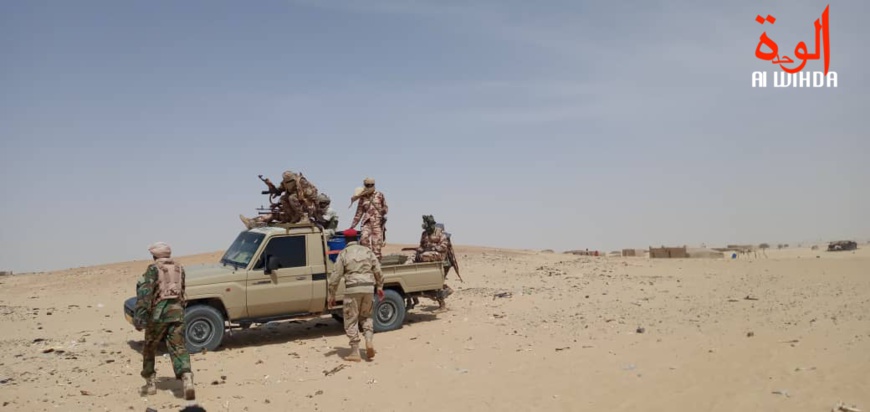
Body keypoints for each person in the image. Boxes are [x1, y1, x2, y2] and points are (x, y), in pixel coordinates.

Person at [134, 242, 195, 400]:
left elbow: (145, 294)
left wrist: (140, 317)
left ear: (154, 256)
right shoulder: (179, 268)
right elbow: (182, 290)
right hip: (177, 312)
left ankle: (150, 383)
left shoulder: (153, 269)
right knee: (178, 346)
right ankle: (187, 378)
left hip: (159, 314)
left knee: (150, 347)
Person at [327, 229, 385, 362]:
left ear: (346, 240)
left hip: (352, 289)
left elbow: (335, 276)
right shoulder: (367, 251)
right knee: (367, 316)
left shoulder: (344, 253)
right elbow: (378, 270)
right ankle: (369, 341)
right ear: (357, 238)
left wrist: (332, 295)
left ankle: (354, 352)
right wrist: (380, 287)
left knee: (351, 319)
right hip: (368, 288)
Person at [240, 170, 320, 228]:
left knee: (291, 197)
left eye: (290, 181)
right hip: (293, 212)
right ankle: (251, 222)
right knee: (276, 210)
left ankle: (303, 217)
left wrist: (311, 208)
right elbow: (279, 190)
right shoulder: (285, 183)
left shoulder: (302, 182)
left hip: (307, 209)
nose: (288, 184)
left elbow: (313, 196)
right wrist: (272, 188)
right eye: (286, 182)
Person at [409, 215, 453, 309]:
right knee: (412, 257)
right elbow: (421, 246)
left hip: (439, 256)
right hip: (425, 256)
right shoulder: (424, 234)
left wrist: (433, 248)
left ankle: (442, 304)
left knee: (437, 284)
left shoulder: (440, 233)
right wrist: (419, 250)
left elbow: (444, 246)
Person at [347, 177, 388, 260]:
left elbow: (386, 208)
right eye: (367, 185)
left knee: (376, 245)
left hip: (377, 223)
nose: (369, 186)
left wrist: (383, 211)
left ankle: (377, 265)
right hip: (367, 222)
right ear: (365, 185)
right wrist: (352, 226)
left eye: (371, 185)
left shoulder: (380, 195)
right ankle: (368, 259)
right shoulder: (362, 197)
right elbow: (359, 213)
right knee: (364, 238)